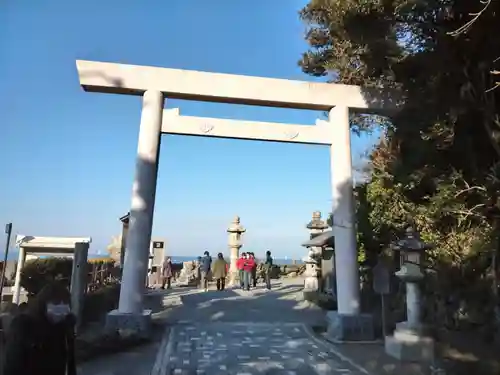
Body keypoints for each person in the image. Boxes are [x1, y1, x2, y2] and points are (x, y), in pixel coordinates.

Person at [3, 281, 77, 375]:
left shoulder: (65, 327)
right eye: (56, 302)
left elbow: (70, 362)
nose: (61, 307)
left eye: (65, 303)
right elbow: (12, 364)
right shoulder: (24, 324)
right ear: (43, 303)